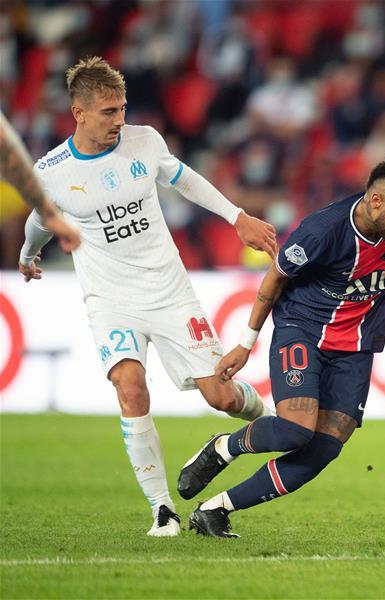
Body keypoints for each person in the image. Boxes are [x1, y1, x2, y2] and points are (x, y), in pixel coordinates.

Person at [17, 56, 280, 537]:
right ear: (78, 112)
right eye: (107, 112)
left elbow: (185, 180)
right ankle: (163, 510)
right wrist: (28, 253)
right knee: (130, 386)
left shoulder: (145, 141)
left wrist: (236, 216)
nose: (119, 120)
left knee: (222, 396)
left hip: (169, 292)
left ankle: (270, 419)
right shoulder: (51, 170)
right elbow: (39, 219)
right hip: (110, 299)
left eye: (121, 109)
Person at [178, 156, 385, 537]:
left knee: (325, 448)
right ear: (376, 201)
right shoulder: (320, 232)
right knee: (296, 431)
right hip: (303, 330)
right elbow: (273, 282)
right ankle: (225, 447)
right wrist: (246, 344)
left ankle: (217, 509)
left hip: (357, 344)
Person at [1, 110, 81, 256]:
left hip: (12, 187)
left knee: (15, 223)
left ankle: (11, 270)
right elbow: (8, 153)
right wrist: (49, 215)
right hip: (11, 186)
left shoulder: (49, 132)